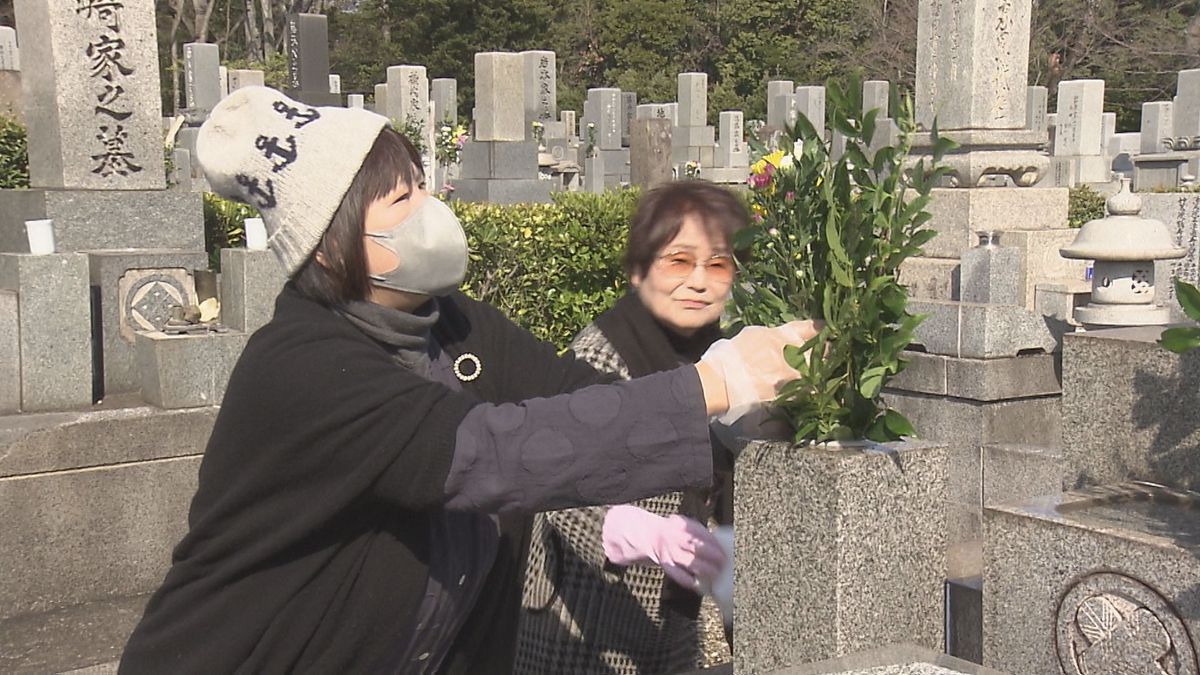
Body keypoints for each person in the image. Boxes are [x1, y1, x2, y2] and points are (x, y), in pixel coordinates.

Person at [117, 87, 816, 674]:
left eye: (422, 185)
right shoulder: (303, 366)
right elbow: (487, 454)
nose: (430, 208)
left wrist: (740, 418)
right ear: (329, 248)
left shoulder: (449, 325)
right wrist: (712, 384)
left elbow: (576, 397)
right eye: (401, 199)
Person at [516, 181, 746, 675]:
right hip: (587, 614)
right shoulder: (600, 356)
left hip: (674, 616)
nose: (700, 282)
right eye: (679, 262)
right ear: (639, 270)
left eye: (718, 264)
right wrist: (644, 535)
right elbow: (556, 489)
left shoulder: (722, 357)